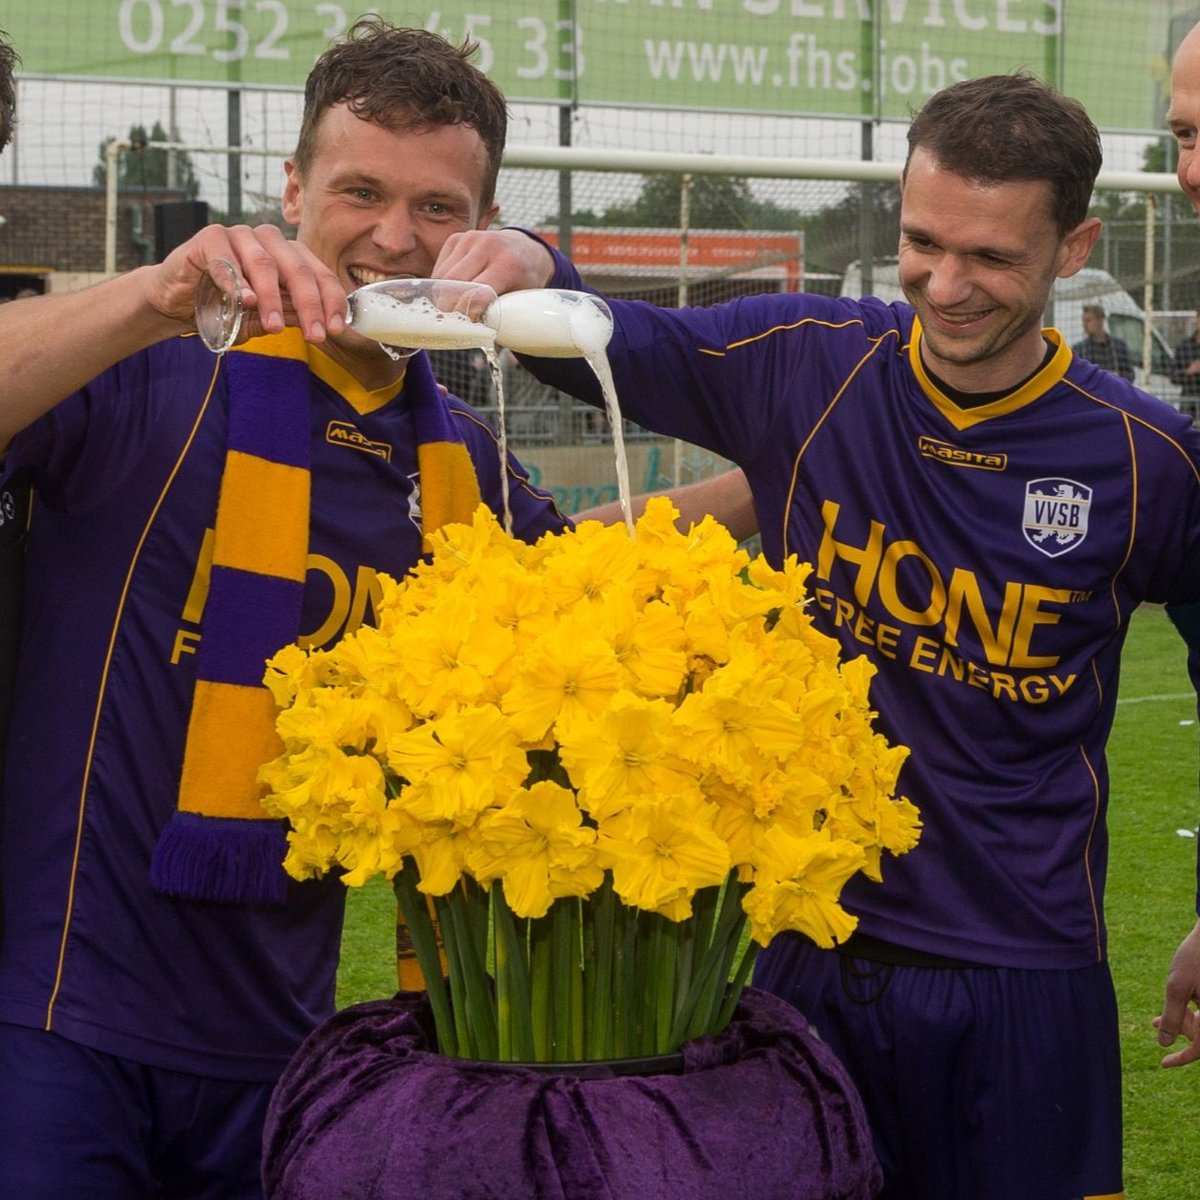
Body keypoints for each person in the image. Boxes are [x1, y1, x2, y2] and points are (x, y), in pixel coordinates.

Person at [443, 72, 1200, 1198]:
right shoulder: (808, 358)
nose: (947, 286)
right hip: (807, 940)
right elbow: (612, 340)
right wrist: (526, 259)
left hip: (1023, 972)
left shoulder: (1148, 457)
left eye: (992, 258)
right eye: (923, 242)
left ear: (1075, 245)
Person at [1071, 301, 1135, 380]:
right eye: (1084, 321)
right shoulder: (1079, 349)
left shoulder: (1119, 346)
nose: (1084, 325)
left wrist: (1115, 380)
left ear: (1100, 320)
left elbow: (1130, 375)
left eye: (1088, 320)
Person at [1169, 309, 1200, 419]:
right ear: (1197, 319)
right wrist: (1189, 371)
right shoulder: (1184, 346)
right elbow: (1173, 376)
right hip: (1188, 401)